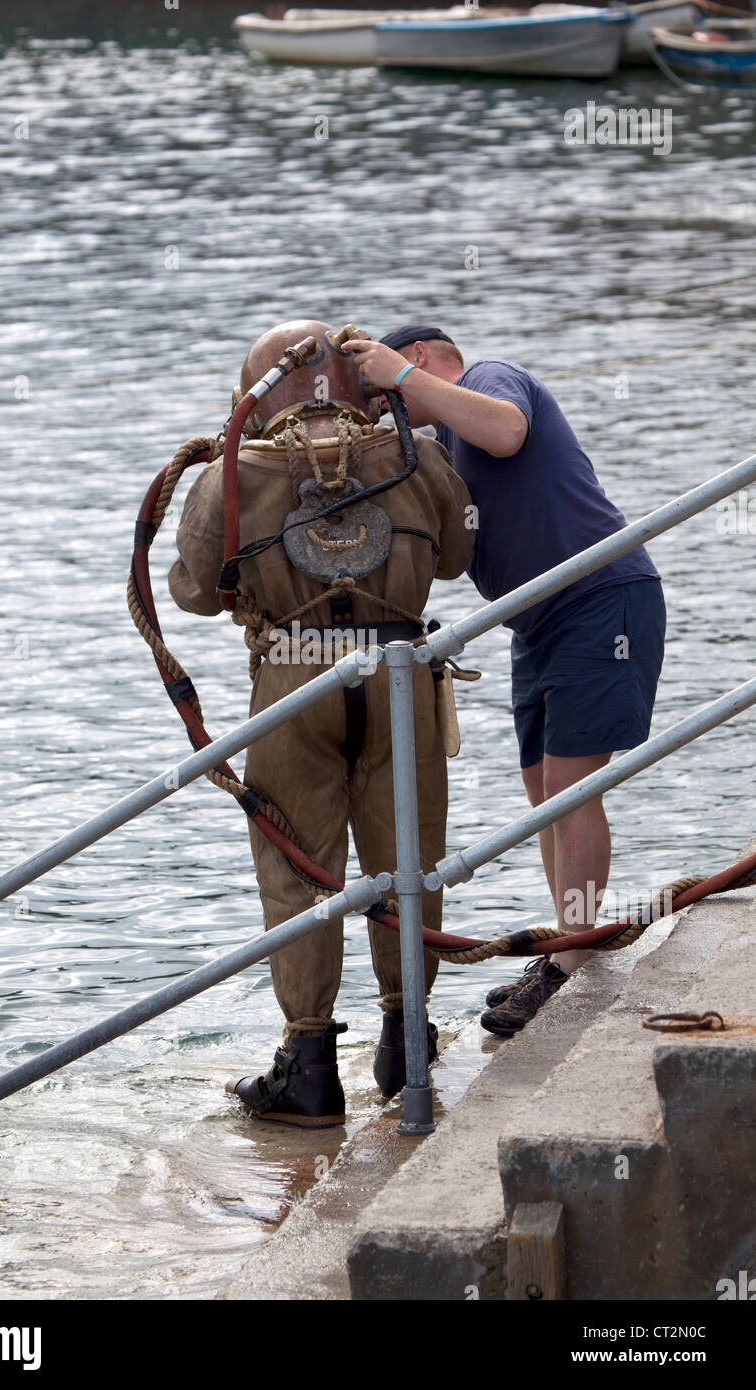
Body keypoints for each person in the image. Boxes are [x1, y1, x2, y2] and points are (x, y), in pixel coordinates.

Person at [168, 320, 475, 1125]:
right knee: (409, 857)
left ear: (255, 393)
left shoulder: (235, 473)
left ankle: (307, 1069)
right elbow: (455, 557)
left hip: (293, 678)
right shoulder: (415, 455)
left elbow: (194, 593)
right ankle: (407, 1044)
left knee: (297, 869)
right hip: (399, 672)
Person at [343, 325, 665, 1036]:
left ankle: (570, 961)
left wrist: (398, 377)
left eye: (387, 393)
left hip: (600, 596)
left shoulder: (487, 377)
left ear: (419, 356)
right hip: (537, 621)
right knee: (542, 792)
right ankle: (567, 944)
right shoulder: (443, 442)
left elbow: (508, 431)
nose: (390, 407)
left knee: (571, 788)